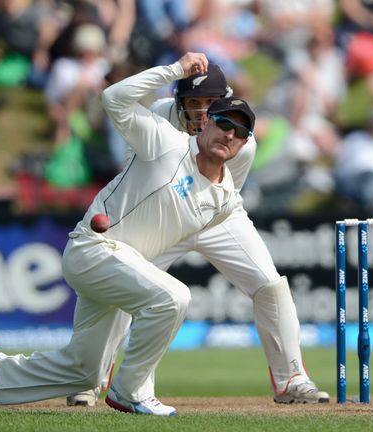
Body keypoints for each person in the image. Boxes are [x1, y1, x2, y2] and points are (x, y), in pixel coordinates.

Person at [0, 52, 257, 416]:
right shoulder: (164, 140)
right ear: (206, 121)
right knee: (174, 297)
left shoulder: (226, 199)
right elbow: (112, 98)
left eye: (239, 131)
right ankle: (131, 391)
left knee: (85, 371)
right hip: (95, 248)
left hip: (125, 264)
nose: (229, 134)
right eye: (223, 122)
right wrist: (175, 71)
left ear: (245, 143)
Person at [65, 61, 329, 407]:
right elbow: (135, 162)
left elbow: (226, 191)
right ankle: (91, 378)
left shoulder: (241, 142)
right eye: (194, 102)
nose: (202, 112)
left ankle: (291, 378)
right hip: (159, 208)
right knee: (128, 282)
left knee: (270, 283)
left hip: (216, 215)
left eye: (210, 102)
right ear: (179, 102)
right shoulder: (159, 115)